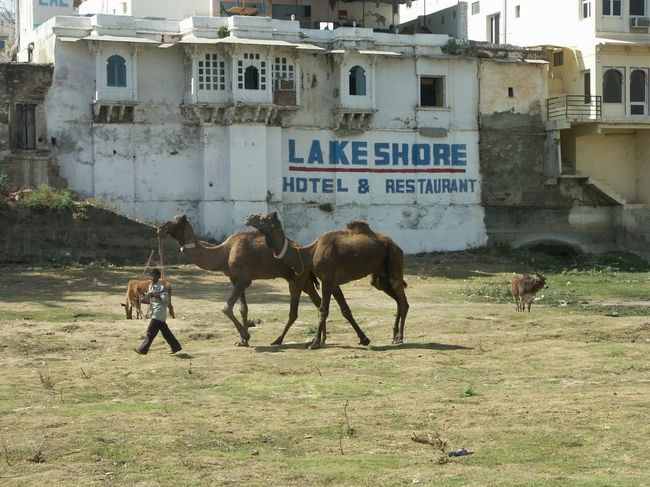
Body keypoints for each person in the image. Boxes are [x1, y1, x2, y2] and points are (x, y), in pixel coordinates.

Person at [134, 268, 182, 355]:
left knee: (150, 331)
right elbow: (147, 298)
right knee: (165, 332)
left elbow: (166, 300)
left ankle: (143, 349)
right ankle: (176, 346)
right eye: (151, 276)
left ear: (158, 277)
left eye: (154, 276)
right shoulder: (151, 286)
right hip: (154, 310)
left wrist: (155, 294)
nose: (152, 278)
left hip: (159, 311)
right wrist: (141, 292)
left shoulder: (162, 287)